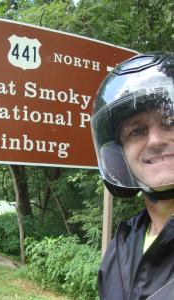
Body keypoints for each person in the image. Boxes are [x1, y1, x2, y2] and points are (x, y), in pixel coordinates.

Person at [91, 52, 174, 300]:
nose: (156, 140)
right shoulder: (122, 245)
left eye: (170, 122)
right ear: (120, 156)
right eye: (136, 131)